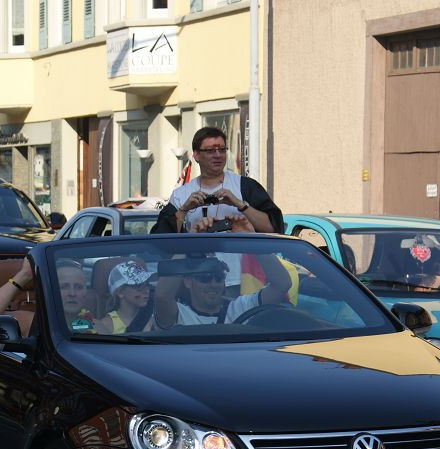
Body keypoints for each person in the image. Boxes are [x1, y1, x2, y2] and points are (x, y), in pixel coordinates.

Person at [153, 217, 292, 328]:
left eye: (219, 277)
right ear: (188, 281)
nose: (213, 284)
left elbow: (282, 284)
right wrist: (190, 241)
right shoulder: (180, 314)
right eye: (205, 278)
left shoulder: (241, 307)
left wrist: (251, 238)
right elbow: (161, 296)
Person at [151, 126, 283, 235]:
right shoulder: (180, 195)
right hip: (197, 264)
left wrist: (240, 204)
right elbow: (159, 238)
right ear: (196, 155)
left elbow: (274, 229)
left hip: (240, 265)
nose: (218, 155)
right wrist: (184, 210)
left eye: (222, 149)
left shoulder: (245, 186)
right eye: (210, 151)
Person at [95, 261, 155, 334]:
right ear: (120, 292)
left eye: (147, 285)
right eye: (139, 286)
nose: (146, 290)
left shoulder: (154, 319)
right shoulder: (107, 324)